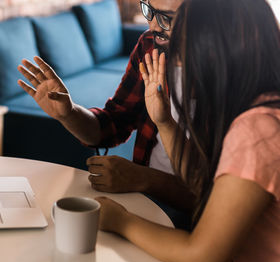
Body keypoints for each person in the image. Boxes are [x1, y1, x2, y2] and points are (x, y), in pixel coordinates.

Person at [96, 0, 280, 262]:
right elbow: (206, 189)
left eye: (186, 53)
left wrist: (120, 220)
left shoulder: (258, 130)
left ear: (223, 51)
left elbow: (201, 255)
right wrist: (165, 122)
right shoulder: (262, 106)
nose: (178, 66)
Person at [17, 0, 195, 228]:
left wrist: (144, 178)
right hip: (147, 201)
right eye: (149, 10)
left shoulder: (235, 74)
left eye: (166, 18)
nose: (152, 26)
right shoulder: (149, 46)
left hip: (197, 219)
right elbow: (112, 125)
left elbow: (213, 195)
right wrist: (69, 113)